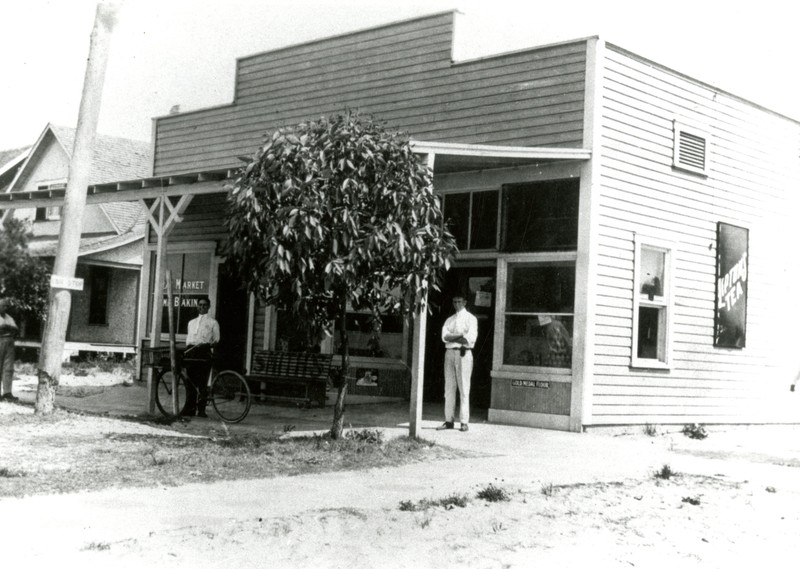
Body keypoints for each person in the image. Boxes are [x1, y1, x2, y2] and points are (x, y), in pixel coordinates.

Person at [437, 293, 478, 432]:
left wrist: (454, 337)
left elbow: (469, 339)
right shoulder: (449, 320)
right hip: (449, 353)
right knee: (449, 388)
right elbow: (444, 337)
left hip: (463, 353)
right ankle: (448, 420)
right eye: (454, 301)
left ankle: (464, 422)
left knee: (464, 388)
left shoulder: (471, 319)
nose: (457, 304)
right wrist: (460, 335)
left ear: (465, 302)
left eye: (460, 301)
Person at [182, 296, 220, 417]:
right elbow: (189, 339)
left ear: (208, 307)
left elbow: (216, 340)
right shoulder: (191, 322)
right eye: (200, 305)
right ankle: (189, 409)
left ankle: (201, 410)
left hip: (204, 352)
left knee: (202, 382)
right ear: (197, 306)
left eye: (204, 305)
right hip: (191, 351)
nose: (202, 307)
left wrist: (207, 345)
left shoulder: (213, 323)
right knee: (190, 382)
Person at [0, 298, 20, 402]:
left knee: (8, 367)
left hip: (9, 342)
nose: (5, 308)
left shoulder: (8, 317)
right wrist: (7, 327)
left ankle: (7, 392)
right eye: (3, 306)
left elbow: (15, 329)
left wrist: (6, 327)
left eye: (6, 306)